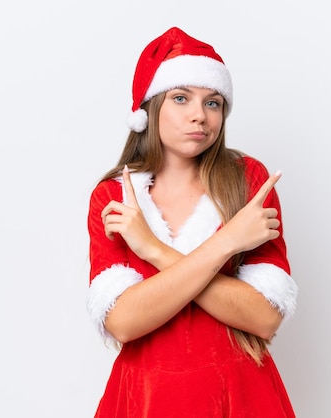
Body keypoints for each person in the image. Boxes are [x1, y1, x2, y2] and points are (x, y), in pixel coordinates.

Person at [86, 26, 299, 417]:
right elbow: (124, 323)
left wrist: (152, 248)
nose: (199, 116)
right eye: (181, 98)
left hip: (240, 395)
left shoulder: (248, 181)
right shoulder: (115, 196)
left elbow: (265, 318)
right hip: (144, 399)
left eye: (213, 103)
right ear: (150, 108)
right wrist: (226, 242)